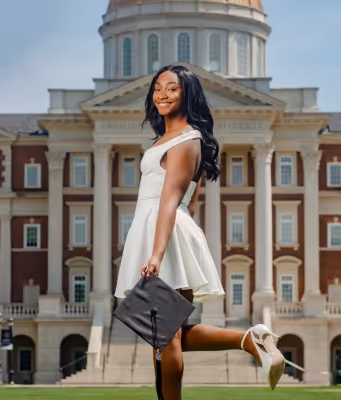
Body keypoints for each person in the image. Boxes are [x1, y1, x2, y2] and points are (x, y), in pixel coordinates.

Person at [115, 65, 300, 399]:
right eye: (157, 88)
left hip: (164, 237)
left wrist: (157, 253)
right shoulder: (169, 140)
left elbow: (171, 201)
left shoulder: (188, 139)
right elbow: (192, 201)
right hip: (161, 231)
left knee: (167, 338)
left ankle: (250, 340)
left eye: (172, 88)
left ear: (188, 94)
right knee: (164, 336)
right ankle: (250, 339)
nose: (162, 94)